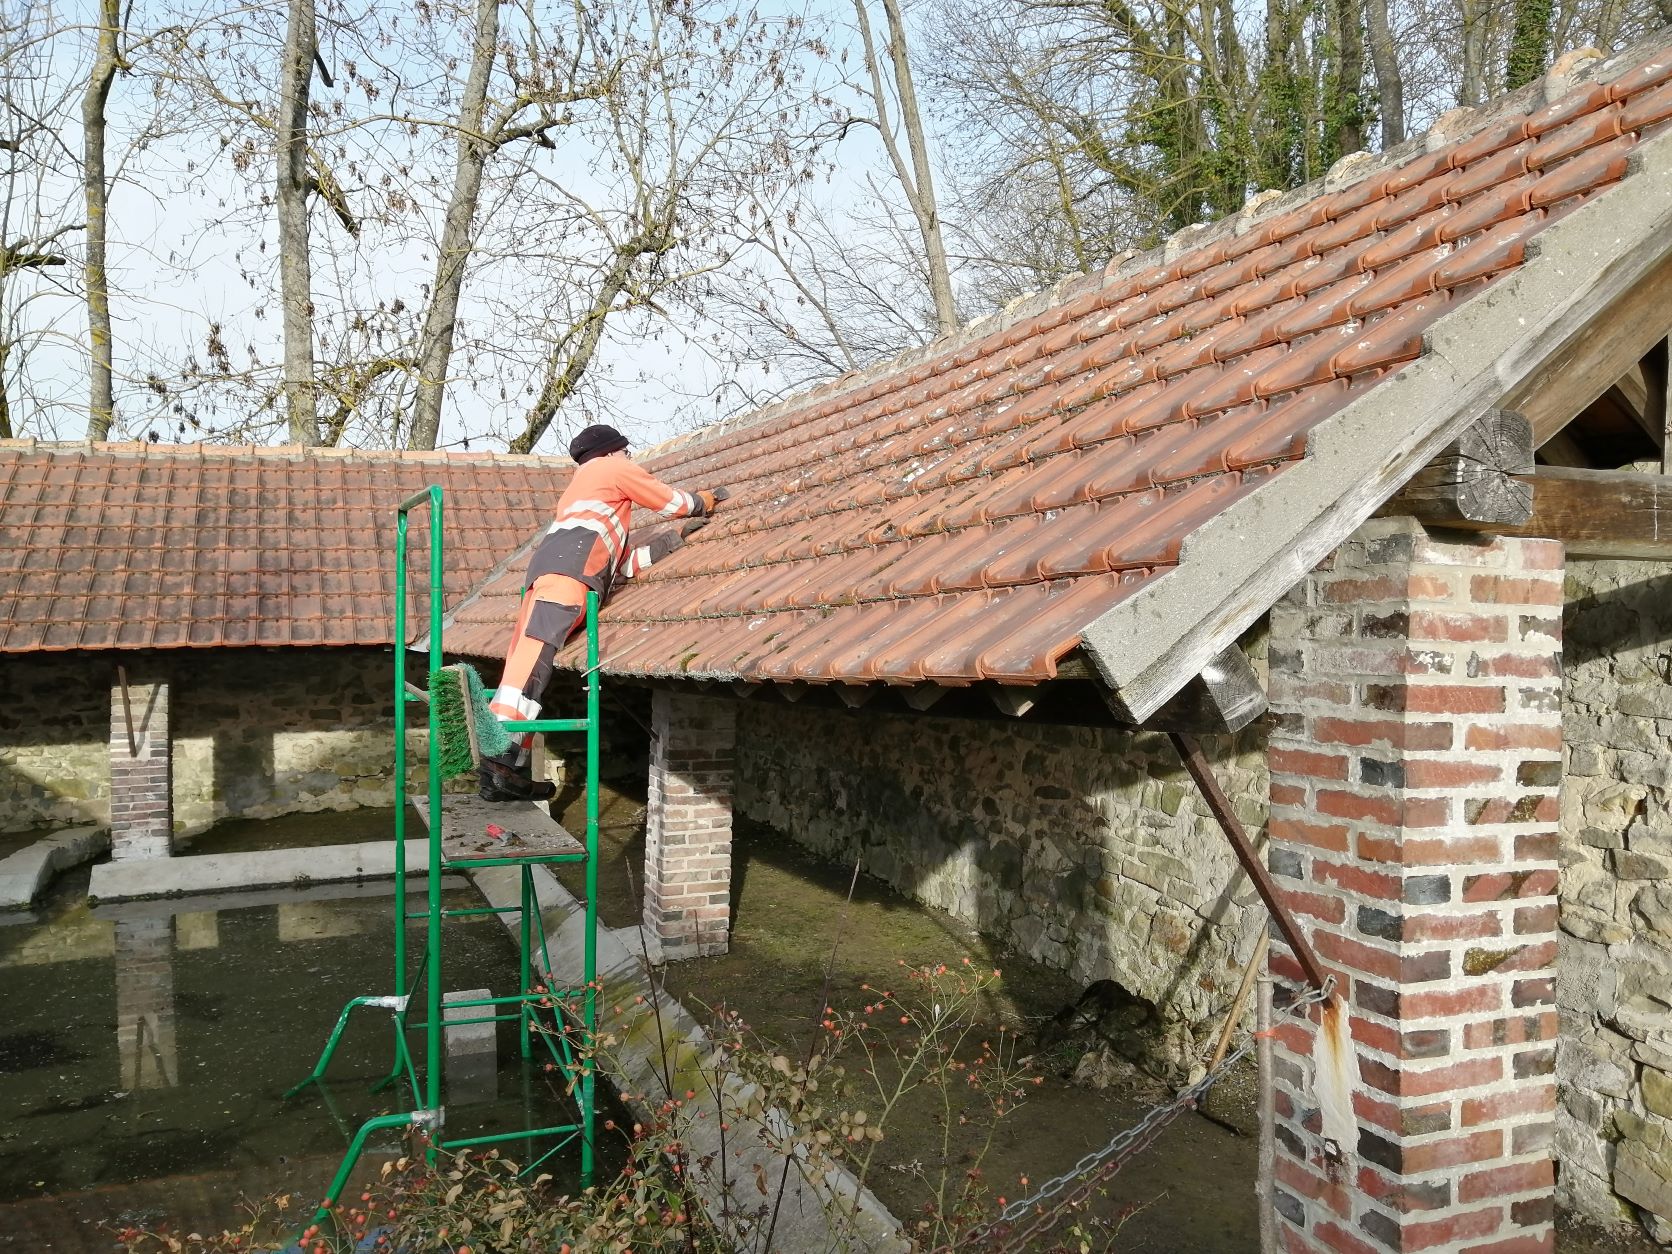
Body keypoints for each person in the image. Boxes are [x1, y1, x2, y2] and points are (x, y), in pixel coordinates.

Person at [479, 423, 729, 802]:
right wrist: (706, 500)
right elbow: (672, 503)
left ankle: (505, 766)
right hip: (570, 575)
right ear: (613, 451)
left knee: (522, 664)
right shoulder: (610, 468)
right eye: (626, 451)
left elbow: (618, 565)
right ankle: (499, 761)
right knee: (532, 666)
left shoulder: (581, 492)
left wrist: (666, 545)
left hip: (547, 574)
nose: (631, 458)